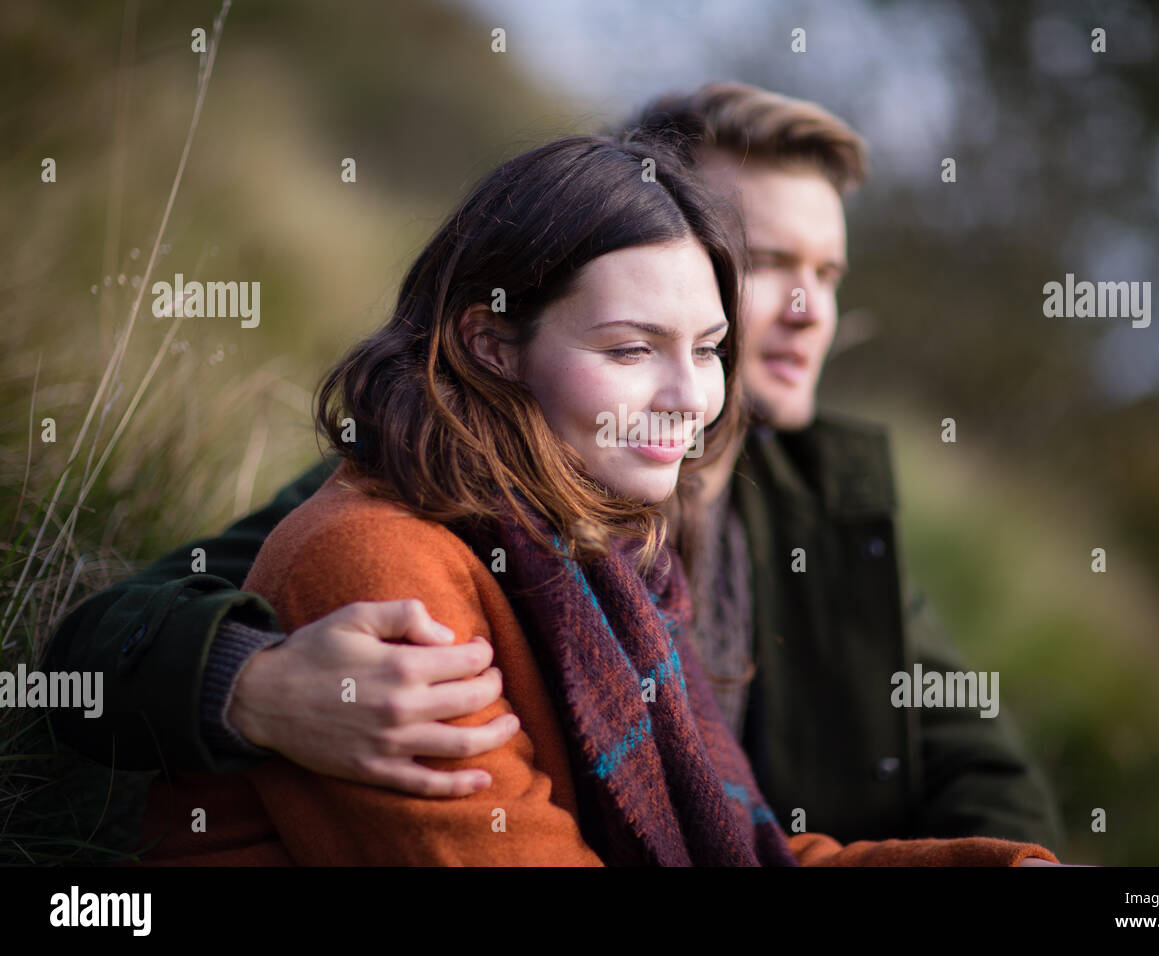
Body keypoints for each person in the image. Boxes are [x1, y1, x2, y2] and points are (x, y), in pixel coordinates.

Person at [43, 82, 1059, 849]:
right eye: (765, 263)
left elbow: (976, 763)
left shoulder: (829, 514)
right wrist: (248, 683)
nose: (806, 309)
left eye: (827, 273)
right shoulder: (431, 491)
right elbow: (86, 651)